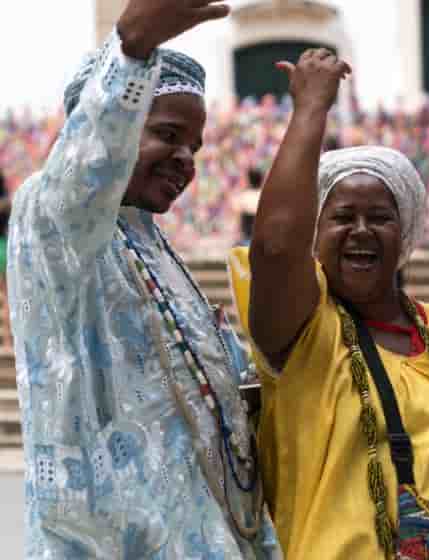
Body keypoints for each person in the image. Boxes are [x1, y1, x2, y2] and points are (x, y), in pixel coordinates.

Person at [228, 49, 429, 559]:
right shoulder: (303, 333)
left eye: (380, 217)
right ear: (315, 235)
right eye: (342, 216)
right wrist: (310, 112)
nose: (361, 230)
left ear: (405, 232)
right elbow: (276, 246)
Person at [6, 1, 279, 557]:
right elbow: (84, 172)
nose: (186, 159)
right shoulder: (53, 217)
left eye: (195, 146)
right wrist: (130, 48)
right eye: (168, 134)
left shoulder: (152, 242)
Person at [234, 166, 264, 244]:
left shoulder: (244, 197)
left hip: (247, 238)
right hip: (261, 238)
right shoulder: (264, 197)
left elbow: (238, 217)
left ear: (249, 181)